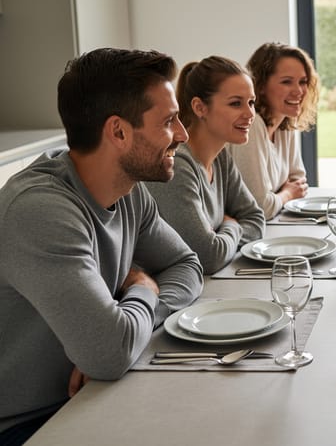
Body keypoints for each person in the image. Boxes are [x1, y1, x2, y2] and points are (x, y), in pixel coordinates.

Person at [0, 48, 204, 445]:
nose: (183, 134)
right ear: (118, 132)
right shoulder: (40, 210)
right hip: (26, 425)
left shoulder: (130, 192)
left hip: (95, 395)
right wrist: (142, 288)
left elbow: (187, 264)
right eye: (168, 121)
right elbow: (110, 354)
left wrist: (129, 327)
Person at [146, 56, 265, 274]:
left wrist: (221, 234)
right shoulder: (178, 165)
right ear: (200, 108)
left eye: (251, 102)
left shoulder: (221, 157)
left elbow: (256, 220)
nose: (250, 114)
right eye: (235, 103)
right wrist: (232, 225)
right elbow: (209, 257)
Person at [227, 42, 317, 219]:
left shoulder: (285, 122)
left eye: (303, 82)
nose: (298, 91)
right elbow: (260, 208)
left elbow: (298, 181)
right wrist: (287, 194)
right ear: (260, 85)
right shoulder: (251, 126)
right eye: (286, 82)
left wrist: (277, 196)